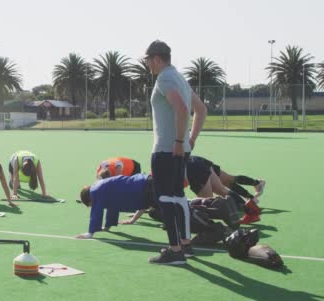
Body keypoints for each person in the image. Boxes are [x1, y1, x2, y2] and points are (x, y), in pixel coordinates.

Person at [145, 40, 207, 264]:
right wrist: (190, 140)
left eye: (148, 60)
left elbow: (182, 109)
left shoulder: (165, 78)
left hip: (166, 150)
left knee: (164, 198)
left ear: (157, 58)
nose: (148, 65)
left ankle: (175, 250)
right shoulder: (179, 77)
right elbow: (201, 110)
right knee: (178, 196)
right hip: (179, 149)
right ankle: (186, 245)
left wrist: (181, 140)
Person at [185, 155, 262, 224]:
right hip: (194, 161)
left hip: (192, 170)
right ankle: (251, 211)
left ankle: (215, 229)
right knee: (223, 190)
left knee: (207, 203)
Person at [76, 174, 155, 239]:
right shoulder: (101, 189)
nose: (93, 206)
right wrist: (107, 227)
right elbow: (112, 206)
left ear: (90, 199)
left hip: (147, 186)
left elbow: (96, 213)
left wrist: (90, 233)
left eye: (91, 205)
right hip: (145, 184)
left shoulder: (95, 191)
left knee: (165, 212)